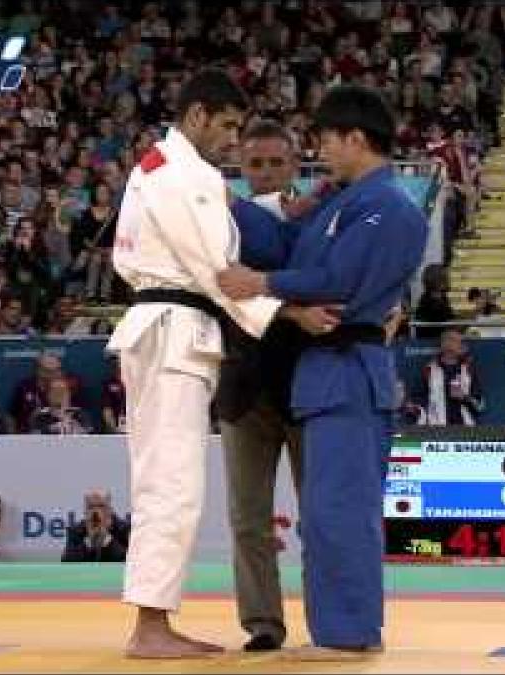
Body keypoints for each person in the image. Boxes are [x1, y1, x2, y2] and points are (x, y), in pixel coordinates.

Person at [106, 68, 334, 659]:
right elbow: (220, 270)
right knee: (172, 484)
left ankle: (153, 620)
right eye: (228, 125)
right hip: (174, 327)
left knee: (165, 481)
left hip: (166, 327)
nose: (232, 140)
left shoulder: (155, 166)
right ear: (198, 114)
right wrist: (292, 313)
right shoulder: (186, 174)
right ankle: (150, 627)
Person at [218, 85, 429, 660]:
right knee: (326, 510)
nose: (323, 154)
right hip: (325, 374)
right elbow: (287, 245)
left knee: (342, 509)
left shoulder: (388, 205)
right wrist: (223, 201)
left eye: (328, 142)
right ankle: (340, 629)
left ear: (355, 139)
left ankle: (349, 633)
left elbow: (337, 278)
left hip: (349, 367)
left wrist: (263, 285)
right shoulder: (342, 203)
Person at [218, 119, 308, 652]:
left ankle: (330, 620)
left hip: (307, 387)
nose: (268, 173)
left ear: (295, 165)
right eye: (256, 164)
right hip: (242, 389)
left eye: (277, 163)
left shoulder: (316, 218)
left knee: (318, 519)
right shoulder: (220, 223)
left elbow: (282, 262)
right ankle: (263, 625)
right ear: (241, 168)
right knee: (248, 520)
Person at [422, 328, 485, 426]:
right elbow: (419, 401)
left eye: (457, 341)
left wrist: (464, 397)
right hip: (436, 428)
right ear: (442, 345)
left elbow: (480, 406)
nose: (451, 344)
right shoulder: (429, 370)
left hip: (464, 428)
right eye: (449, 340)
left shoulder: (468, 370)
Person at [62, 490, 132, 563]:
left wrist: (107, 539)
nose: (96, 511)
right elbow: (66, 562)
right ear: (85, 511)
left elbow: (130, 561)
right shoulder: (75, 531)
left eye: (101, 506)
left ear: (110, 510)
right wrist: (89, 541)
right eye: (91, 507)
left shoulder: (125, 529)